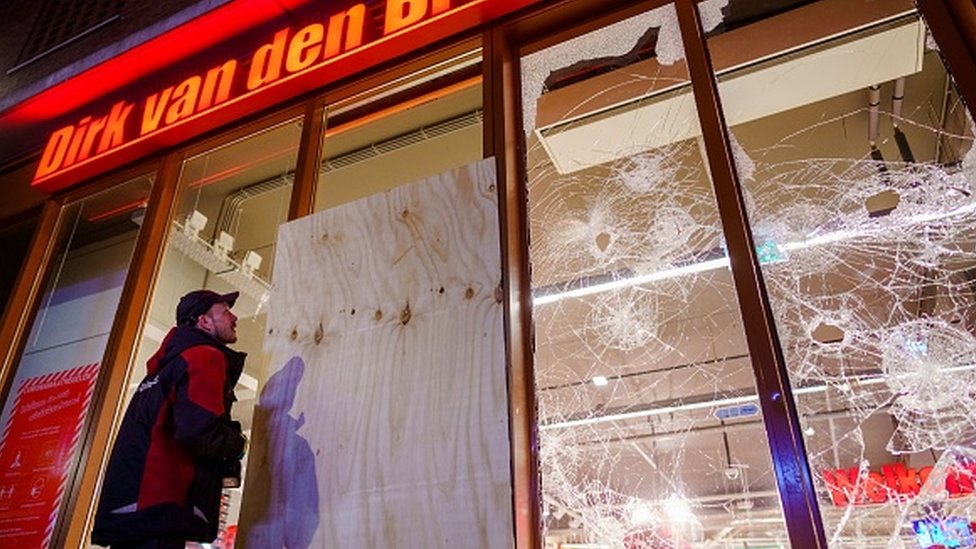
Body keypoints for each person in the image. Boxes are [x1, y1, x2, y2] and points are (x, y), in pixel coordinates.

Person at [92, 289, 249, 549]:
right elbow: (199, 431)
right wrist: (238, 444)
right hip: (163, 506)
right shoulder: (204, 356)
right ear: (204, 321)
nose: (234, 318)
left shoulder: (164, 369)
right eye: (225, 311)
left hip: (132, 510)